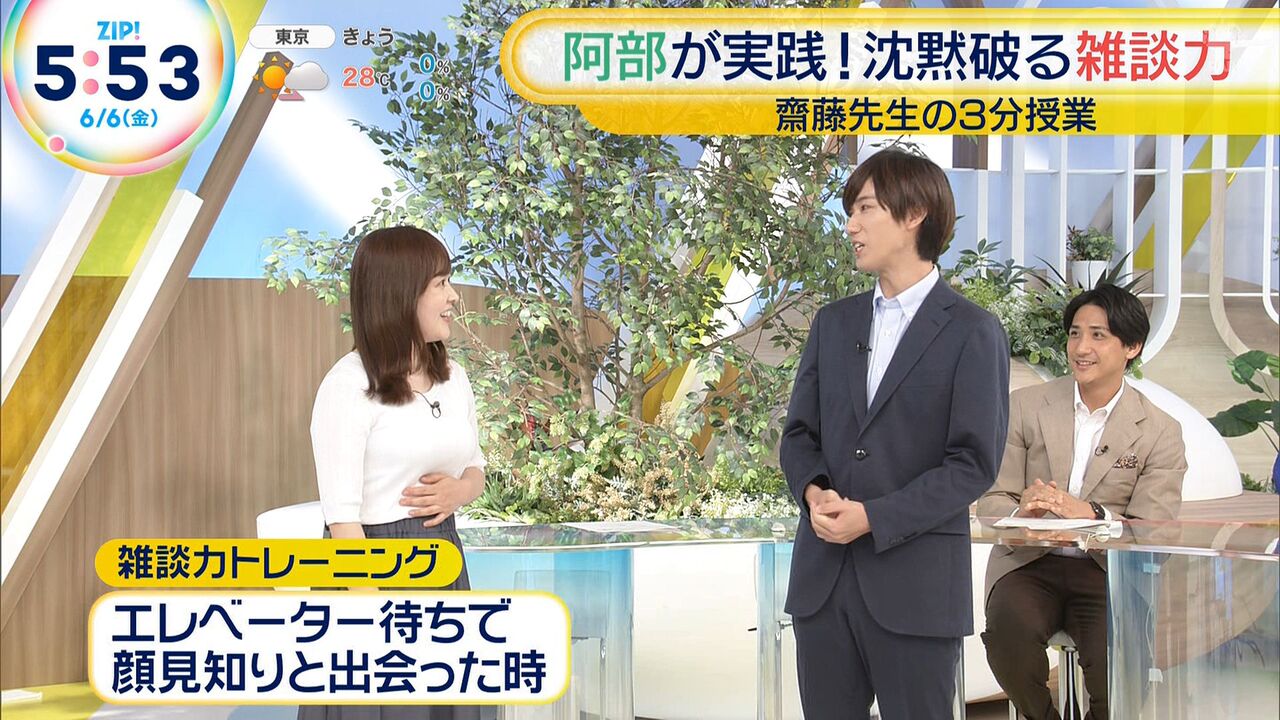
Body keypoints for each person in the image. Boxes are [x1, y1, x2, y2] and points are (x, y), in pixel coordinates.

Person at [780, 148, 1011, 719]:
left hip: (916, 589)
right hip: (823, 584)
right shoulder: (833, 323)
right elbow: (799, 434)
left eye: (865, 209)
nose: (851, 226)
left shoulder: (973, 332)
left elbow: (972, 464)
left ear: (913, 215)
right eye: (850, 211)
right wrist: (814, 492)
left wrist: (874, 517)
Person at [302, 226, 489, 720]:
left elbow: (475, 467)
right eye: (440, 284)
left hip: (444, 560)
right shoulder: (348, 386)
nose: (453, 297)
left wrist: (459, 492)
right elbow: (342, 521)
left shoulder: (454, 378)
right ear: (401, 294)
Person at [978, 283, 1186, 720]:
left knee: (1121, 667)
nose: (1081, 347)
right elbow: (992, 499)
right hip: (1029, 563)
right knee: (1008, 634)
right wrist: (1021, 513)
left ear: (1132, 347)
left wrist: (1092, 515)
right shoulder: (1025, 406)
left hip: (1108, 572)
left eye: (1097, 335)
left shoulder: (1160, 430)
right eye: (1075, 333)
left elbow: (1155, 532)